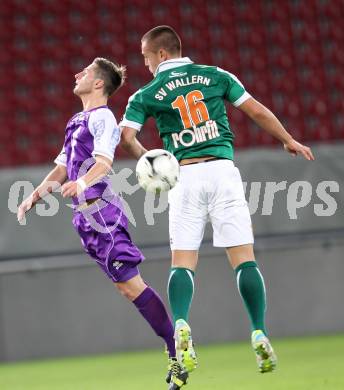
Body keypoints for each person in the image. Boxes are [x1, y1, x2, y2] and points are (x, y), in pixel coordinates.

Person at [120, 25, 315, 387]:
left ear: (162, 54)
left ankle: (181, 323)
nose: (145, 65)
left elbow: (127, 137)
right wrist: (288, 139)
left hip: (183, 176)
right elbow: (255, 110)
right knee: (244, 258)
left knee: (184, 262)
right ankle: (258, 331)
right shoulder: (216, 75)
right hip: (223, 172)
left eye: (146, 57)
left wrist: (151, 160)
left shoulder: (145, 94)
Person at [17, 57, 187, 389]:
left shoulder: (103, 118)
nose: (77, 73)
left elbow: (104, 163)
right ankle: (176, 348)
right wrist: (34, 196)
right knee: (126, 289)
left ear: (98, 84)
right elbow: (63, 167)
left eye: (86, 72)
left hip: (103, 215)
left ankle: (177, 352)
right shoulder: (76, 120)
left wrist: (82, 184)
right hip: (84, 220)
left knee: (131, 285)